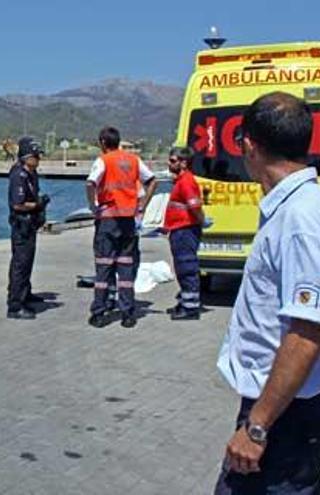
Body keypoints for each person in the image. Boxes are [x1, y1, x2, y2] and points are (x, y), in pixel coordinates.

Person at [214, 92, 320, 494]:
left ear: (249, 145)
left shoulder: (300, 219)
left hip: (285, 416)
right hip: (280, 407)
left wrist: (257, 428)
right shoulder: (294, 207)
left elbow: (307, 332)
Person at [85, 127, 157, 328]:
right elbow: (152, 181)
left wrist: (93, 207)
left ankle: (99, 312)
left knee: (104, 267)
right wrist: (143, 205)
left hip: (108, 220)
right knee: (126, 267)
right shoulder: (133, 160)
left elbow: (90, 183)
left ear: (102, 142)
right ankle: (128, 313)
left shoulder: (103, 160)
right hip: (128, 220)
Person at [6, 136, 50, 320]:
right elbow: (18, 204)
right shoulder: (19, 175)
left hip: (31, 224)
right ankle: (15, 305)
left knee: (27, 262)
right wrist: (37, 204)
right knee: (20, 264)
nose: (38, 159)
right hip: (21, 224)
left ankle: (26, 293)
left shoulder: (32, 173)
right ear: (25, 156)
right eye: (36, 156)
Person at [163, 146, 205, 320]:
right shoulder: (180, 181)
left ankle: (190, 308)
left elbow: (194, 206)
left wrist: (201, 221)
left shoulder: (186, 181)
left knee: (186, 266)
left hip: (185, 230)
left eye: (173, 160)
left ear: (184, 163)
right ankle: (185, 301)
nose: (169, 163)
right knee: (182, 267)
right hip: (179, 229)